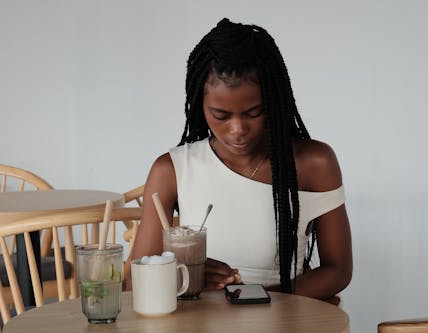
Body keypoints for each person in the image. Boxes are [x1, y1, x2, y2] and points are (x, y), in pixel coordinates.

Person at [131, 18, 352, 300]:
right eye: (221, 116)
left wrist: (249, 296)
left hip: (285, 320)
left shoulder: (313, 163)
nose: (237, 130)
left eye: (254, 112)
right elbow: (134, 284)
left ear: (274, 101)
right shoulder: (172, 169)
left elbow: (338, 270)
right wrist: (185, 277)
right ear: (200, 105)